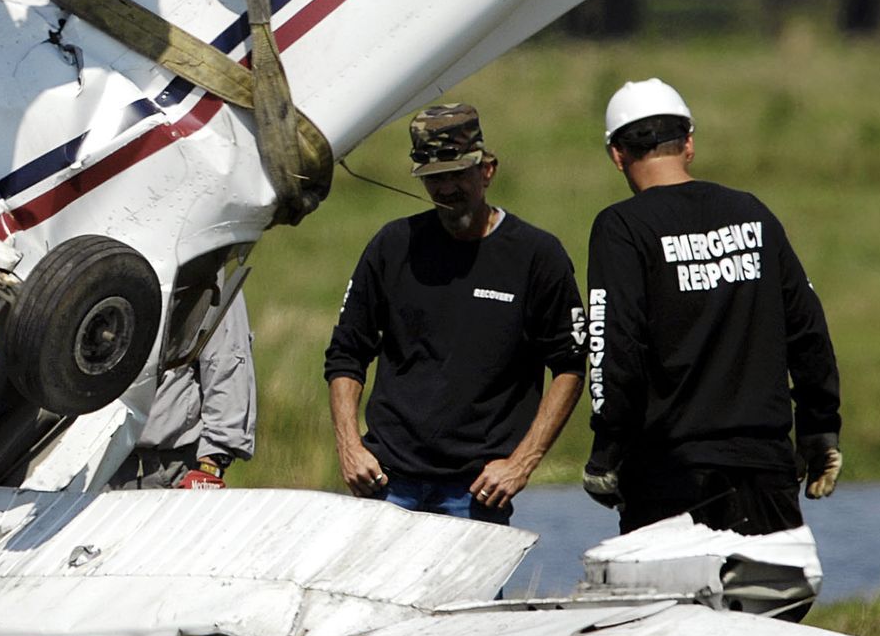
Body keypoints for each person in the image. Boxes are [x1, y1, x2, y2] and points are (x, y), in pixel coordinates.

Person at [580, 79, 841, 535]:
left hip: (669, 470)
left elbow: (612, 348)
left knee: (676, 605)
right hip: (766, 464)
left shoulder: (621, 228)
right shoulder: (752, 213)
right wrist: (820, 429)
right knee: (763, 600)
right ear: (689, 144)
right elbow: (808, 330)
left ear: (617, 155)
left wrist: (607, 452)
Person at [323, 104, 586, 523]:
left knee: (471, 594)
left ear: (487, 170)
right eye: (434, 178)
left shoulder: (536, 255)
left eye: (456, 175)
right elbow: (346, 354)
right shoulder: (394, 246)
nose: (446, 189)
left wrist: (521, 463)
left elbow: (570, 365)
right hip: (388, 483)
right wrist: (350, 446)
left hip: (476, 491)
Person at [120, 291, 255, 488]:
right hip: (90, 464)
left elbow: (227, 361)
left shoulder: (209, 268)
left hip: (167, 469)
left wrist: (211, 466)